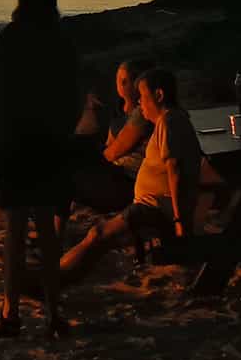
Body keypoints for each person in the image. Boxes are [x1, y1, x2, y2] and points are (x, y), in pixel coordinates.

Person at [0, 0, 79, 340]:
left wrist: (2, 135)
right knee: (48, 232)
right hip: (50, 143)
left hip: (16, 144)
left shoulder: (8, 41)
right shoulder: (60, 42)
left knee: (16, 231)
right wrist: (63, 131)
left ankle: (11, 312)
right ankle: (54, 313)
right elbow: (70, 95)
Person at [59, 68, 201, 281]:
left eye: (143, 97)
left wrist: (180, 222)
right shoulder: (172, 120)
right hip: (151, 206)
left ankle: (53, 280)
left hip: (153, 209)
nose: (139, 104)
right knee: (98, 238)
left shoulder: (168, 122)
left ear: (159, 95)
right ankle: (58, 278)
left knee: (97, 235)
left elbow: (175, 171)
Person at [68, 57, 154, 214]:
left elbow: (115, 151)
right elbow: (109, 144)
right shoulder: (120, 109)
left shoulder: (143, 113)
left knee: (70, 164)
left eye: (124, 80)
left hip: (128, 178)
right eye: (119, 79)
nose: (120, 84)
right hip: (116, 169)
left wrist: (90, 160)